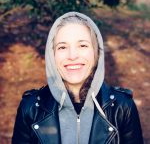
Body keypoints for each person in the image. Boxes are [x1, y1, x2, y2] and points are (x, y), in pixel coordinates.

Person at [12, 12, 144, 144]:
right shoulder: (30, 108)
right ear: (52, 55)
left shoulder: (122, 107)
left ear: (96, 53)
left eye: (82, 45)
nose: (72, 55)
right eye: (62, 47)